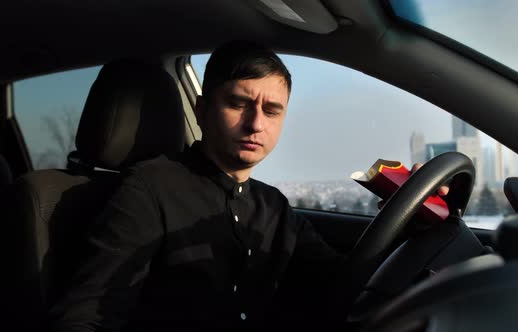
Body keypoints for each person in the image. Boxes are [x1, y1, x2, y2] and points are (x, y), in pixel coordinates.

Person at [51, 40, 446, 332]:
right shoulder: (149, 189)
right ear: (202, 110)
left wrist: (412, 225)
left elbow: (345, 281)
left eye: (272, 110)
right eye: (239, 104)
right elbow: (88, 315)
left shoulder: (273, 207)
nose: (257, 123)